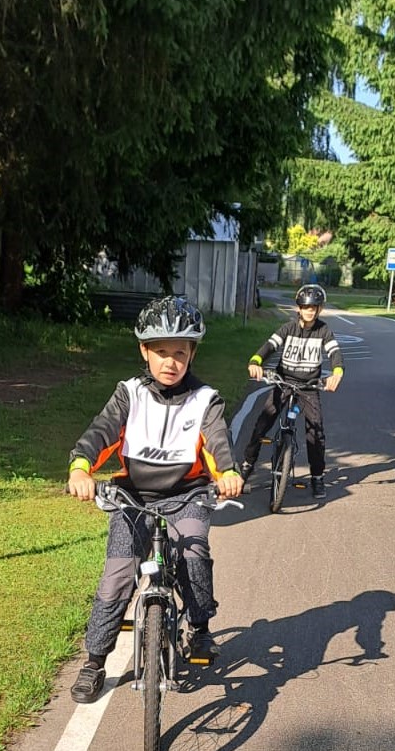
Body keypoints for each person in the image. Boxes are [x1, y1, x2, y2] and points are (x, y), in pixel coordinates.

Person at [66, 295, 243, 703]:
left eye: (180, 353)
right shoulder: (129, 393)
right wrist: (80, 467)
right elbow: (101, 432)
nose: (170, 362)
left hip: (187, 495)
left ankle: (199, 628)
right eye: (161, 352)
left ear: (192, 353)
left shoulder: (206, 399)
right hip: (132, 497)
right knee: (117, 575)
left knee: (194, 553)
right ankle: (94, 661)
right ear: (144, 351)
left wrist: (228, 473)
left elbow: (218, 441)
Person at [238, 283, 344, 499]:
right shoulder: (288, 328)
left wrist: (337, 372)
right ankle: (248, 464)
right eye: (305, 307)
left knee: (316, 433)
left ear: (319, 309)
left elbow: (335, 353)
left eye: (313, 308)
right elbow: (270, 346)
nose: (309, 311)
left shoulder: (323, 331)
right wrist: (255, 361)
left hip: (309, 386)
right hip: (283, 382)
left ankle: (317, 477)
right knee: (262, 423)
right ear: (299, 308)